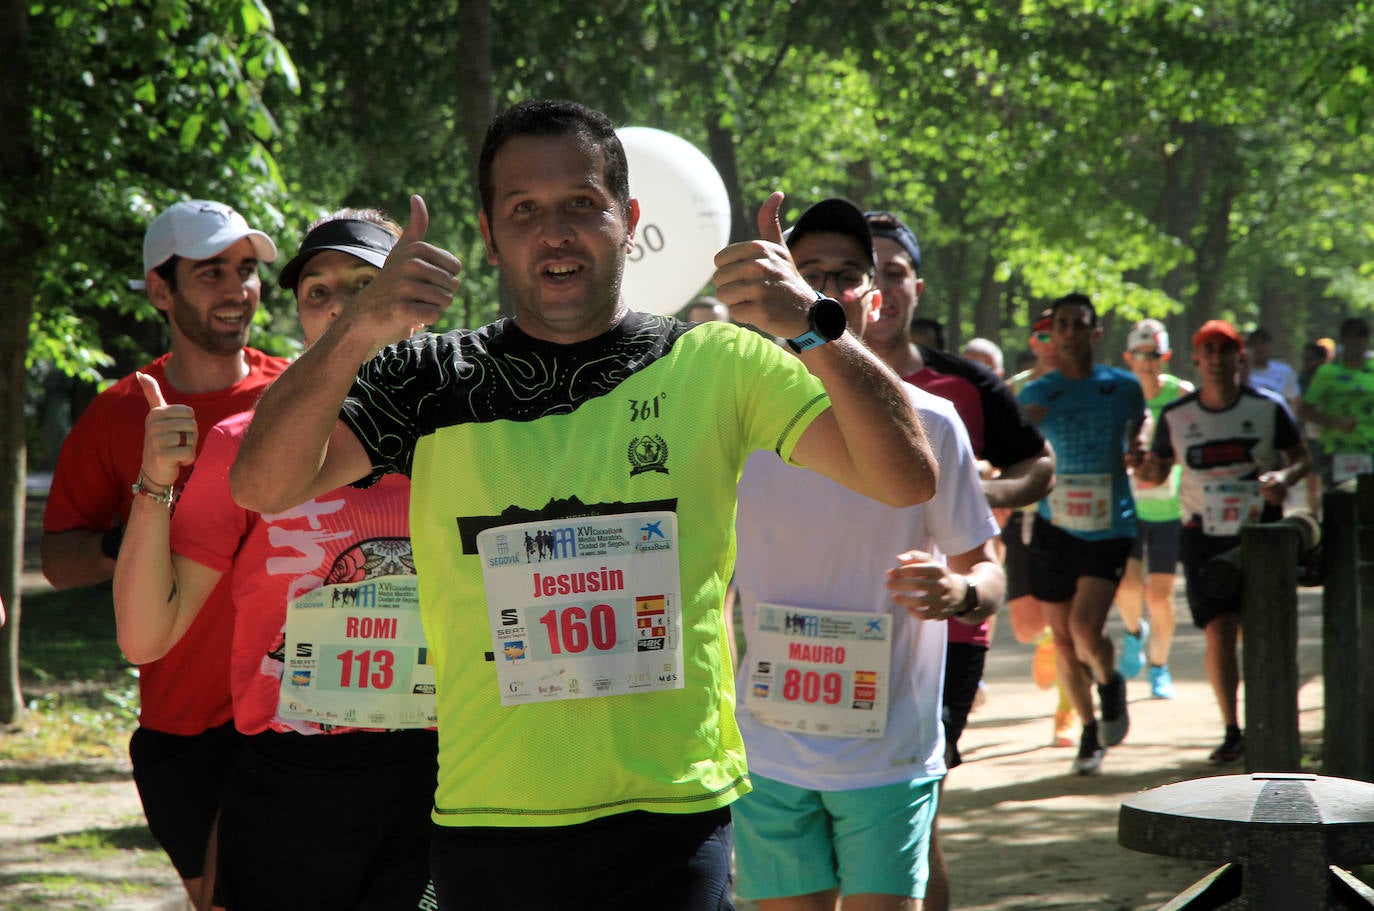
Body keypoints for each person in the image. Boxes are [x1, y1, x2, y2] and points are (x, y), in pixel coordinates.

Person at [228, 99, 937, 911]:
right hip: (491, 817)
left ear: (629, 219)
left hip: (672, 815)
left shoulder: (719, 362)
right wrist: (357, 329)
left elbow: (905, 478)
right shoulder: (428, 375)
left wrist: (818, 328)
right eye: (523, 210)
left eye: (581, 204)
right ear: (490, 235)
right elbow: (262, 485)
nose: (554, 231)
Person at [112, 211, 440, 910]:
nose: (339, 305)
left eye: (363, 284)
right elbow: (146, 635)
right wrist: (153, 488)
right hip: (293, 786)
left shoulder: (475, 431)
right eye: (317, 291)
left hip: (443, 783)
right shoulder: (246, 444)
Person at [732, 198, 1003, 911]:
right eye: (807, 270)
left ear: (873, 299)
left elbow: (990, 568)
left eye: (846, 275)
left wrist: (958, 591)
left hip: (888, 749)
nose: (825, 287)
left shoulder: (934, 422)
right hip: (766, 749)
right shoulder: (737, 423)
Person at [40, 199, 287, 909]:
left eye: (246, 270)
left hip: (284, 711)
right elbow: (59, 560)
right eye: (212, 272)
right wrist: (149, 514)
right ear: (160, 289)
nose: (238, 289)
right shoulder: (119, 412)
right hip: (179, 724)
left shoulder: (293, 396)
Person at [1139, 320, 1310, 763]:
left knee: (1262, 629)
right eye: (1207, 350)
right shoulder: (1177, 416)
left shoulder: (1268, 408)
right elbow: (1156, 471)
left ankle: (1270, 721)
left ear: (1241, 358)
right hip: (1202, 536)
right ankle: (1232, 727)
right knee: (1219, 629)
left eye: (1224, 350)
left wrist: (1282, 478)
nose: (1216, 358)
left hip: (1262, 536)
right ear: (1196, 360)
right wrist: (1142, 466)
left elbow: (1301, 459)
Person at [1018, 292, 1146, 776]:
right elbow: (1021, 449)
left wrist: (1140, 452)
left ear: (1095, 334)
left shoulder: (1123, 387)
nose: (1069, 333)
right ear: (1053, 335)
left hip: (1110, 523)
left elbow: (1140, 430)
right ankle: (1090, 732)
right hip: (1055, 525)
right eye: (1061, 325)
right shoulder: (1037, 393)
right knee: (1064, 641)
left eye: (1079, 324)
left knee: (1085, 629)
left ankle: (1110, 680)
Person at [1002, 312, 1075, 747]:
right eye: (1043, 334)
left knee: (1070, 624)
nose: (1052, 342)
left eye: (1061, 332)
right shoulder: (1012, 389)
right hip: (1024, 513)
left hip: (1073, 517)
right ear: (1034, 341)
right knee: (1029, 627)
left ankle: (1066, 714)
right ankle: (1048, 639)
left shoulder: (1087, 387)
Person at [1113, 319, 1192, 700]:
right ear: (1129, 357)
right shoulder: (1117, 393)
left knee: (1159, 597)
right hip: (1127, 508)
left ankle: (1159, 666)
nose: (1148, 362)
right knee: (1126, 588)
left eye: (1155, 355)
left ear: (1167, 356)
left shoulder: (1183, 395)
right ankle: (1133, 633)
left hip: (1169, 510)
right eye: (1141, 355)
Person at [1299, 317, 1374, 492]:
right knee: (1339, 506)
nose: (1357, 341)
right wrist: (1335, 422)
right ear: (1343, 339)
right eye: (1351, 336)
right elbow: (1304, 411)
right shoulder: (1327, 372)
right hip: (1336, 451)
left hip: (1370, 450)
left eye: (1362, 336)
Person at [1296, 340, 1334, 515]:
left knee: (1331, 481)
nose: (1307, 364)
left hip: (1332, 437)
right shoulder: (1302, 379)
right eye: (1305, 359)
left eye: (1310, 359)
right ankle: (1314, 516)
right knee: (1311, 478)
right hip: (1309, 436)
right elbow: (1298, 408)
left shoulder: (1333, 378)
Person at [1244, 327, 1300, 412]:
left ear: (1269, 345)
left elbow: (1294, 400)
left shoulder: (1284, 371)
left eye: (1263, 343)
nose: (1259, 348)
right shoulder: (1241, 372)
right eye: (1254, 344)